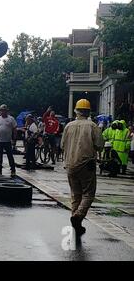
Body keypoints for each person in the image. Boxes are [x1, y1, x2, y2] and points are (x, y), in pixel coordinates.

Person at [61, 99, 104, 239]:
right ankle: (78, 216)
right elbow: (100, 145)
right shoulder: (92, 126)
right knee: (88, 194)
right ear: (88, 111)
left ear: (76, 111)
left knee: (75, 194)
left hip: (70, 165)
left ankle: (76, 222)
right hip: (86, 164)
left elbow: (62, 145)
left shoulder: (68, 126)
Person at [0, 104, 17, 177]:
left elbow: (15, 129)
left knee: (10, 156)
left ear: (7, 111)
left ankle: (13, 170)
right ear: (0, 111)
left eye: (4, 110)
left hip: (8, 141)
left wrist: (14, 139)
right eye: (1, 110)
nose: (3, 112)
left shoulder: (11, 119)